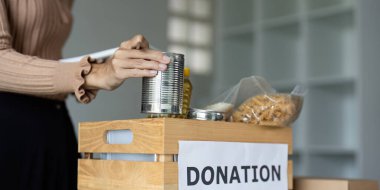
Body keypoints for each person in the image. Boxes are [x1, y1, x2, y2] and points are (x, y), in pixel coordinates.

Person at [0, 0, 170, 189]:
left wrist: (105, 62)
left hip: (53, 121)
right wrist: (93, 73)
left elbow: (42, 54)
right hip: (9, 128)